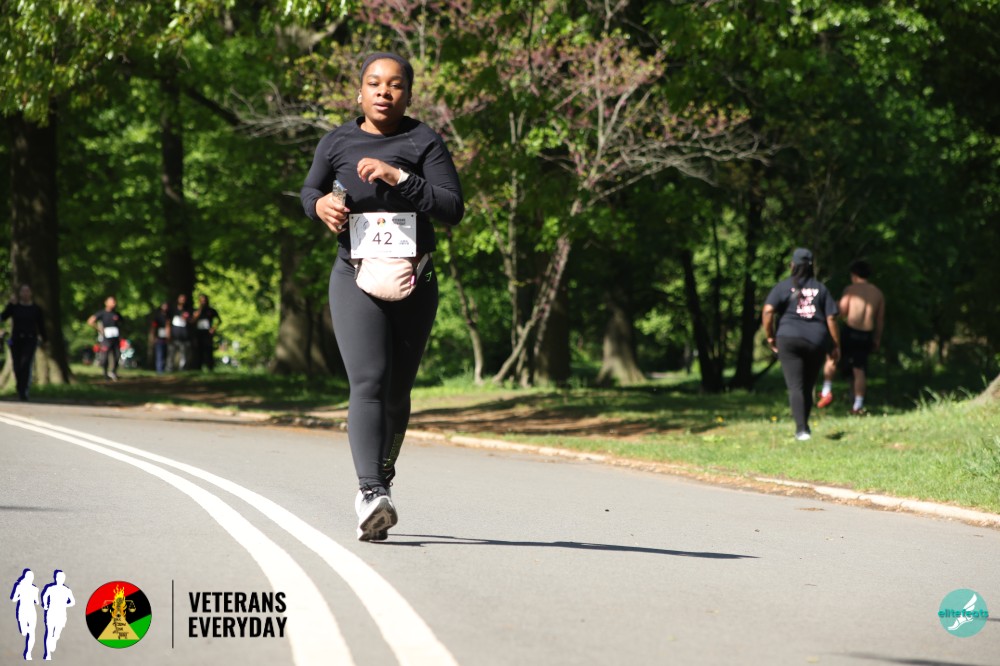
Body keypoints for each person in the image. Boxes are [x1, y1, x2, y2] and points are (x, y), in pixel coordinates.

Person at [301, 52, 464, 541]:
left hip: (416, 278)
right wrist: (321, 206)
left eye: (394, 85)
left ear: (407, 94)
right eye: (374, 83)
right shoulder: (337, 142)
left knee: (397, 394)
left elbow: (452, 207)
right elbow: (309, 192)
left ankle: (383, 480)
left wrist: (399, 178)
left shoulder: (424, 141)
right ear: (360, 92)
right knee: (369, 381)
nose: (384, 92)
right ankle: (370, 491)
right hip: (354, 275)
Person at [762, 248, 841, 441]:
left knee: (795, 386)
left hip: (788, 339)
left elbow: (768, 310)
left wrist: (770, 336)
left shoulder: (783, 287)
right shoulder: (821, 289)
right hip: (816, 340)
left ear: (792, 265)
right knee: (808, 385)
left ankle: (801, 430)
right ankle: (804, 426)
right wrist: (835, 345)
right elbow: (831, 318)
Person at [818, 259, 885, 414]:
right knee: (859, 369)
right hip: (866, 334)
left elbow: (842, 312)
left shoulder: (851, 289)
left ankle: (826, 390)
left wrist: (836, 304)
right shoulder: (878, 293)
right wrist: (877, 338)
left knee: (833, 356)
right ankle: (858, 405)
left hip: (851, 331)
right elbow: (880, 320)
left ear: (854, 275)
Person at [1, 285, 46, 401]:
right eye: (23, 291)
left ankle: (23, 390)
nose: (25, 293)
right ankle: (19, 386)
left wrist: (44, 338)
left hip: (30, 339)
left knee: (26, 364)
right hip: (16, 339)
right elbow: (3, 317)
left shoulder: (36, 309)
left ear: (31, 293)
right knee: (17, 366)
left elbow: (41, 325)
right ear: (20, 293)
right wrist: (10, 305)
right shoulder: (14, 307)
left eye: (27, 291)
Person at [87, 296, 124, 380]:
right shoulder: (102, 313)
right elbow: (90, 321)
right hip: (106, 339)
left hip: (115, 338)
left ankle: (113, 372)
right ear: (106, 303)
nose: (114, 303)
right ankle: (105, 374)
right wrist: (99, 329)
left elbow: (122, 324)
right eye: (112, 302)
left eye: (114, 302)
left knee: (117, 355)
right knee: (105, 357)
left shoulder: (116, 314)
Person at [41, 570, 74, 660]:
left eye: (62, 578)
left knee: (56, 634)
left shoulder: (66, 590)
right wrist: (45, 604)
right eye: (59, 578)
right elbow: (45, 596)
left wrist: (65, 605)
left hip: (61, 614)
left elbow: (72, 602)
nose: (60, 579)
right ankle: (47, 654)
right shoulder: (51, 588)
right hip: (51, 612)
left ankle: (54, 639)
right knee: (49, 632)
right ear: (56, 578)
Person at [10, 569, 39, 660]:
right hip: (23, 610)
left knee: (32, 632)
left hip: (30, 611)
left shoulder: (34, 589)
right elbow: (14, 599)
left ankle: (28, 653)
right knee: (24, 632)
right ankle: (28, 650)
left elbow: (36, 601)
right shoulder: (19, 587)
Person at [192, 294, 222, 371]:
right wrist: (199, 311)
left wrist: (213, 328)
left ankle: (210, 367)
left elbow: (219, 320)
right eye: (201, 301)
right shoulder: (197, 311)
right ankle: (198, 368)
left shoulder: (211, 311)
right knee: (198, 350)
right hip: (198, 333)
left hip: (207, 333)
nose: (203, 302)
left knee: (208, 349)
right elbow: (192, 320)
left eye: (204, 301)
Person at [167, 293, 193, 371]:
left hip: (184, 336)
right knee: (171, 353)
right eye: (181, 299)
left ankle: (182, 369)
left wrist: (187, 318)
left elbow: (192, 321)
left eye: (184, 299)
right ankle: (169, 368)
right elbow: (168, 322)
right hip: (174, 335)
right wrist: (168, 334)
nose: (182, 300)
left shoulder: (188, 310)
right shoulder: (173, 310)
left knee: (184, 353)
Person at [149, 302, 170, 374]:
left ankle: (164, 369)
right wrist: (153, 337)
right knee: (159, 354)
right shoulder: (157, 317)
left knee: (165, 354)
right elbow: (153, 327)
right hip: (159, 338)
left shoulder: (168, 316)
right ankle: (159, 370)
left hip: (166, 338)